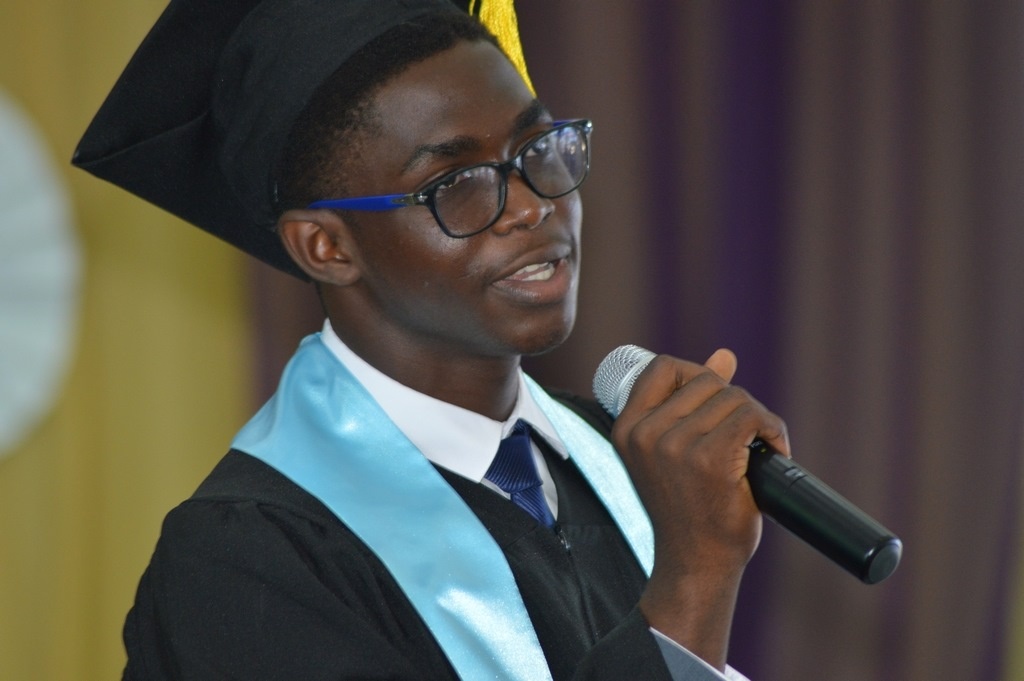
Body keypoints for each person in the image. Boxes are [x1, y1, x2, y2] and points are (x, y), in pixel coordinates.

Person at [73, 1, 789, 679]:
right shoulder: (245, 561)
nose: (532, 206)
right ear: (326, 246)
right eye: (458, 181)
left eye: (538, 147)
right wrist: (695, 578)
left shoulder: (625, 456)